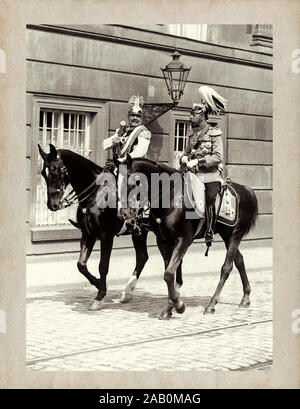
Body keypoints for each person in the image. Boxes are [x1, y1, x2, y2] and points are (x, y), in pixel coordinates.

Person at [180, 85, 227, 246]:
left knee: (210, 198)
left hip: (209, 175)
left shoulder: (214, 133)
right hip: (191, 174)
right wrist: (184, 158)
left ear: (202, 115)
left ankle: (209, 229)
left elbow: (218, 157)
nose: (191, 116)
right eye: (191, 113)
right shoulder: (192, 134)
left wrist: (198, 161)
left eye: (194, 114)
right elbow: (186, 152)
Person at [103, 95, 151, 161]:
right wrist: (113, 140)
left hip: (133, 165)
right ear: (128, 117)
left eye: (138, 116)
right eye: (132, 115)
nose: (135, 118)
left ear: (141, 119)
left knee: (122, 171)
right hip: (118, 163)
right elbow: (105, 144)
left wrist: (123, 160)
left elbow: (140, 151)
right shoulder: (123, 130)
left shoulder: (143, 132)